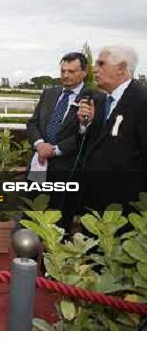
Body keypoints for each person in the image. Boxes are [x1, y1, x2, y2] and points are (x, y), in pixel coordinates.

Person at [26, 52, 103, 231]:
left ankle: (51, 260)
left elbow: (89, 135)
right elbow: (33, 123)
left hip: (67, 172)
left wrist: (56, 149)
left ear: (84, 72)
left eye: (71, 71)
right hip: (38, 167)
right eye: (63, 70)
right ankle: (26, 258)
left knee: (58, 226)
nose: (65, 75)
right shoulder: (49, 93)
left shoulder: (95, 98)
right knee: (30, 216)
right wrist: (39, 144)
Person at [78, 45, 147, 214]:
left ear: (121, 68)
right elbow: (95, 145)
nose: (94, 69)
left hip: (126, 207)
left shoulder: (142, 101)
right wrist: (84, 124)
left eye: (101, 64)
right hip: (93, 203)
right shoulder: (100, 101)